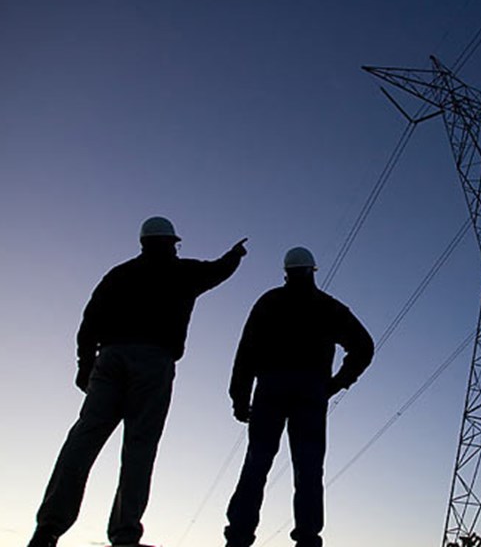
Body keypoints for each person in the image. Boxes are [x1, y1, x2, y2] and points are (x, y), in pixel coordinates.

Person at [27, 216, 248, 547]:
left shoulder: (118, 275)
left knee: (83, 440)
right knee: (139, 448)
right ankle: (124, 534)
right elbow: (216, 271)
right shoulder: (181, 272)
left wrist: (85, 366)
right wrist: (235, 256)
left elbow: (89, 322)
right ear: (171, 243)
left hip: (110, 359)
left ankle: (48, 528)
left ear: (143, 243)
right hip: (153, 364)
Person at [224, 246, 374, 547]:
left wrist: (239, 398)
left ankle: (238, 537)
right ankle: (307, 538)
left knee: (257, 462)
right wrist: (335, 384)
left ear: (286, 272)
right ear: (312, 271)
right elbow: (364, 347)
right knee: (308, 467)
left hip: (271, 389)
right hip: (310, 392)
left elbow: (246, 353)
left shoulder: (269, 302)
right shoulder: (328, 307)